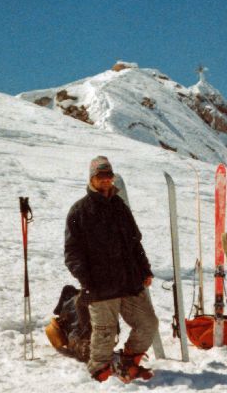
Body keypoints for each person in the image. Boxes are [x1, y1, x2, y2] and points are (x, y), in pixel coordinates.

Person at [64, 156, 159, 382]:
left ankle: (129, 361)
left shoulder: (119, 206)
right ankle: (99, 373)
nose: (106, 180)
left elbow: (134, 242)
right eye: (101, 176)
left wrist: (145, 270)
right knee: (104, 332)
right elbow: (72, 253)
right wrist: (88, 282)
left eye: (109, 175)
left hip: (129, 281)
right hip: (100, 285)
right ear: (91, 179)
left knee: (148, 324)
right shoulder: (79, 211)